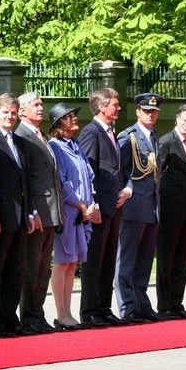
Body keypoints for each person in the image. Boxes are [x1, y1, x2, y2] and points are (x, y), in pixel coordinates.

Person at [78, 88, 128, 327]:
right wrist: (93, 203)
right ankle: (89, 311)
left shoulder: (110, 132)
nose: (118, 108)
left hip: (113, 205)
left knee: (108, 259)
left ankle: (104, 308)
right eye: (115, 104)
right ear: (102, 106)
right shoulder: (91, 132)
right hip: (99, 208)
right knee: (94, 260)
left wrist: (124, 189)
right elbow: (88, 171)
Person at [0, 93, 33, 336]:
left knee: (15, 270)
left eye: (13, 113)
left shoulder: (19, 141)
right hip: (1, 217)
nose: (10, 117)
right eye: (5, 112)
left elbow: (25, 181)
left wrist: (31, 212)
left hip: (21, 216)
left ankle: (10, 318)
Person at [14, 92, 63, 333]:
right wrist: (31, 210)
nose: (41, 108)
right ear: (22, 111)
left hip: (51, 211)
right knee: (32, 267)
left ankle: (37, 314)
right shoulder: (21, 136)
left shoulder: (39, 135)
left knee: (44, 268)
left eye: (41, 104)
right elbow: (26, 179)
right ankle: (29, 316)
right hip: (37, 212)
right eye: (35, 105)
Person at [47, 103, 98, 330]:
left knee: (73, 262)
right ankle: (61, 313)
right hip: (69, 212)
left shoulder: (75, 145)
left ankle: (68, 312)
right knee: (62, 261)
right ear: (59, 123)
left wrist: (91, 203)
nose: (75, 118)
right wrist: (80, 205)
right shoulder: (55, 146)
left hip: (82, 212)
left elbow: (88, 176)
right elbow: (62, 181)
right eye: (69, 116)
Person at [115, 93, 162, 322]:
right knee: (126, 260)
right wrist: (127, 189)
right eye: (146, 111)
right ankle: (127, 308)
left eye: (154, 111)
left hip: (152, 207)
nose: (150, 115)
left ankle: (142, 304)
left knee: (144, 261)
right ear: (137, 112)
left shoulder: (154, 137)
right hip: (133, 207)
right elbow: (120, 170)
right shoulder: (128, 137)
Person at [156, 104, 186, 319]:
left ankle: (177, 303)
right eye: (184, 120)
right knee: (167, 258)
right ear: (177, 120)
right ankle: (165, 306)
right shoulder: (165, 142)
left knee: (182, 258)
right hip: (168, 210)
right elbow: (158, 176)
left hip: (185, 211)